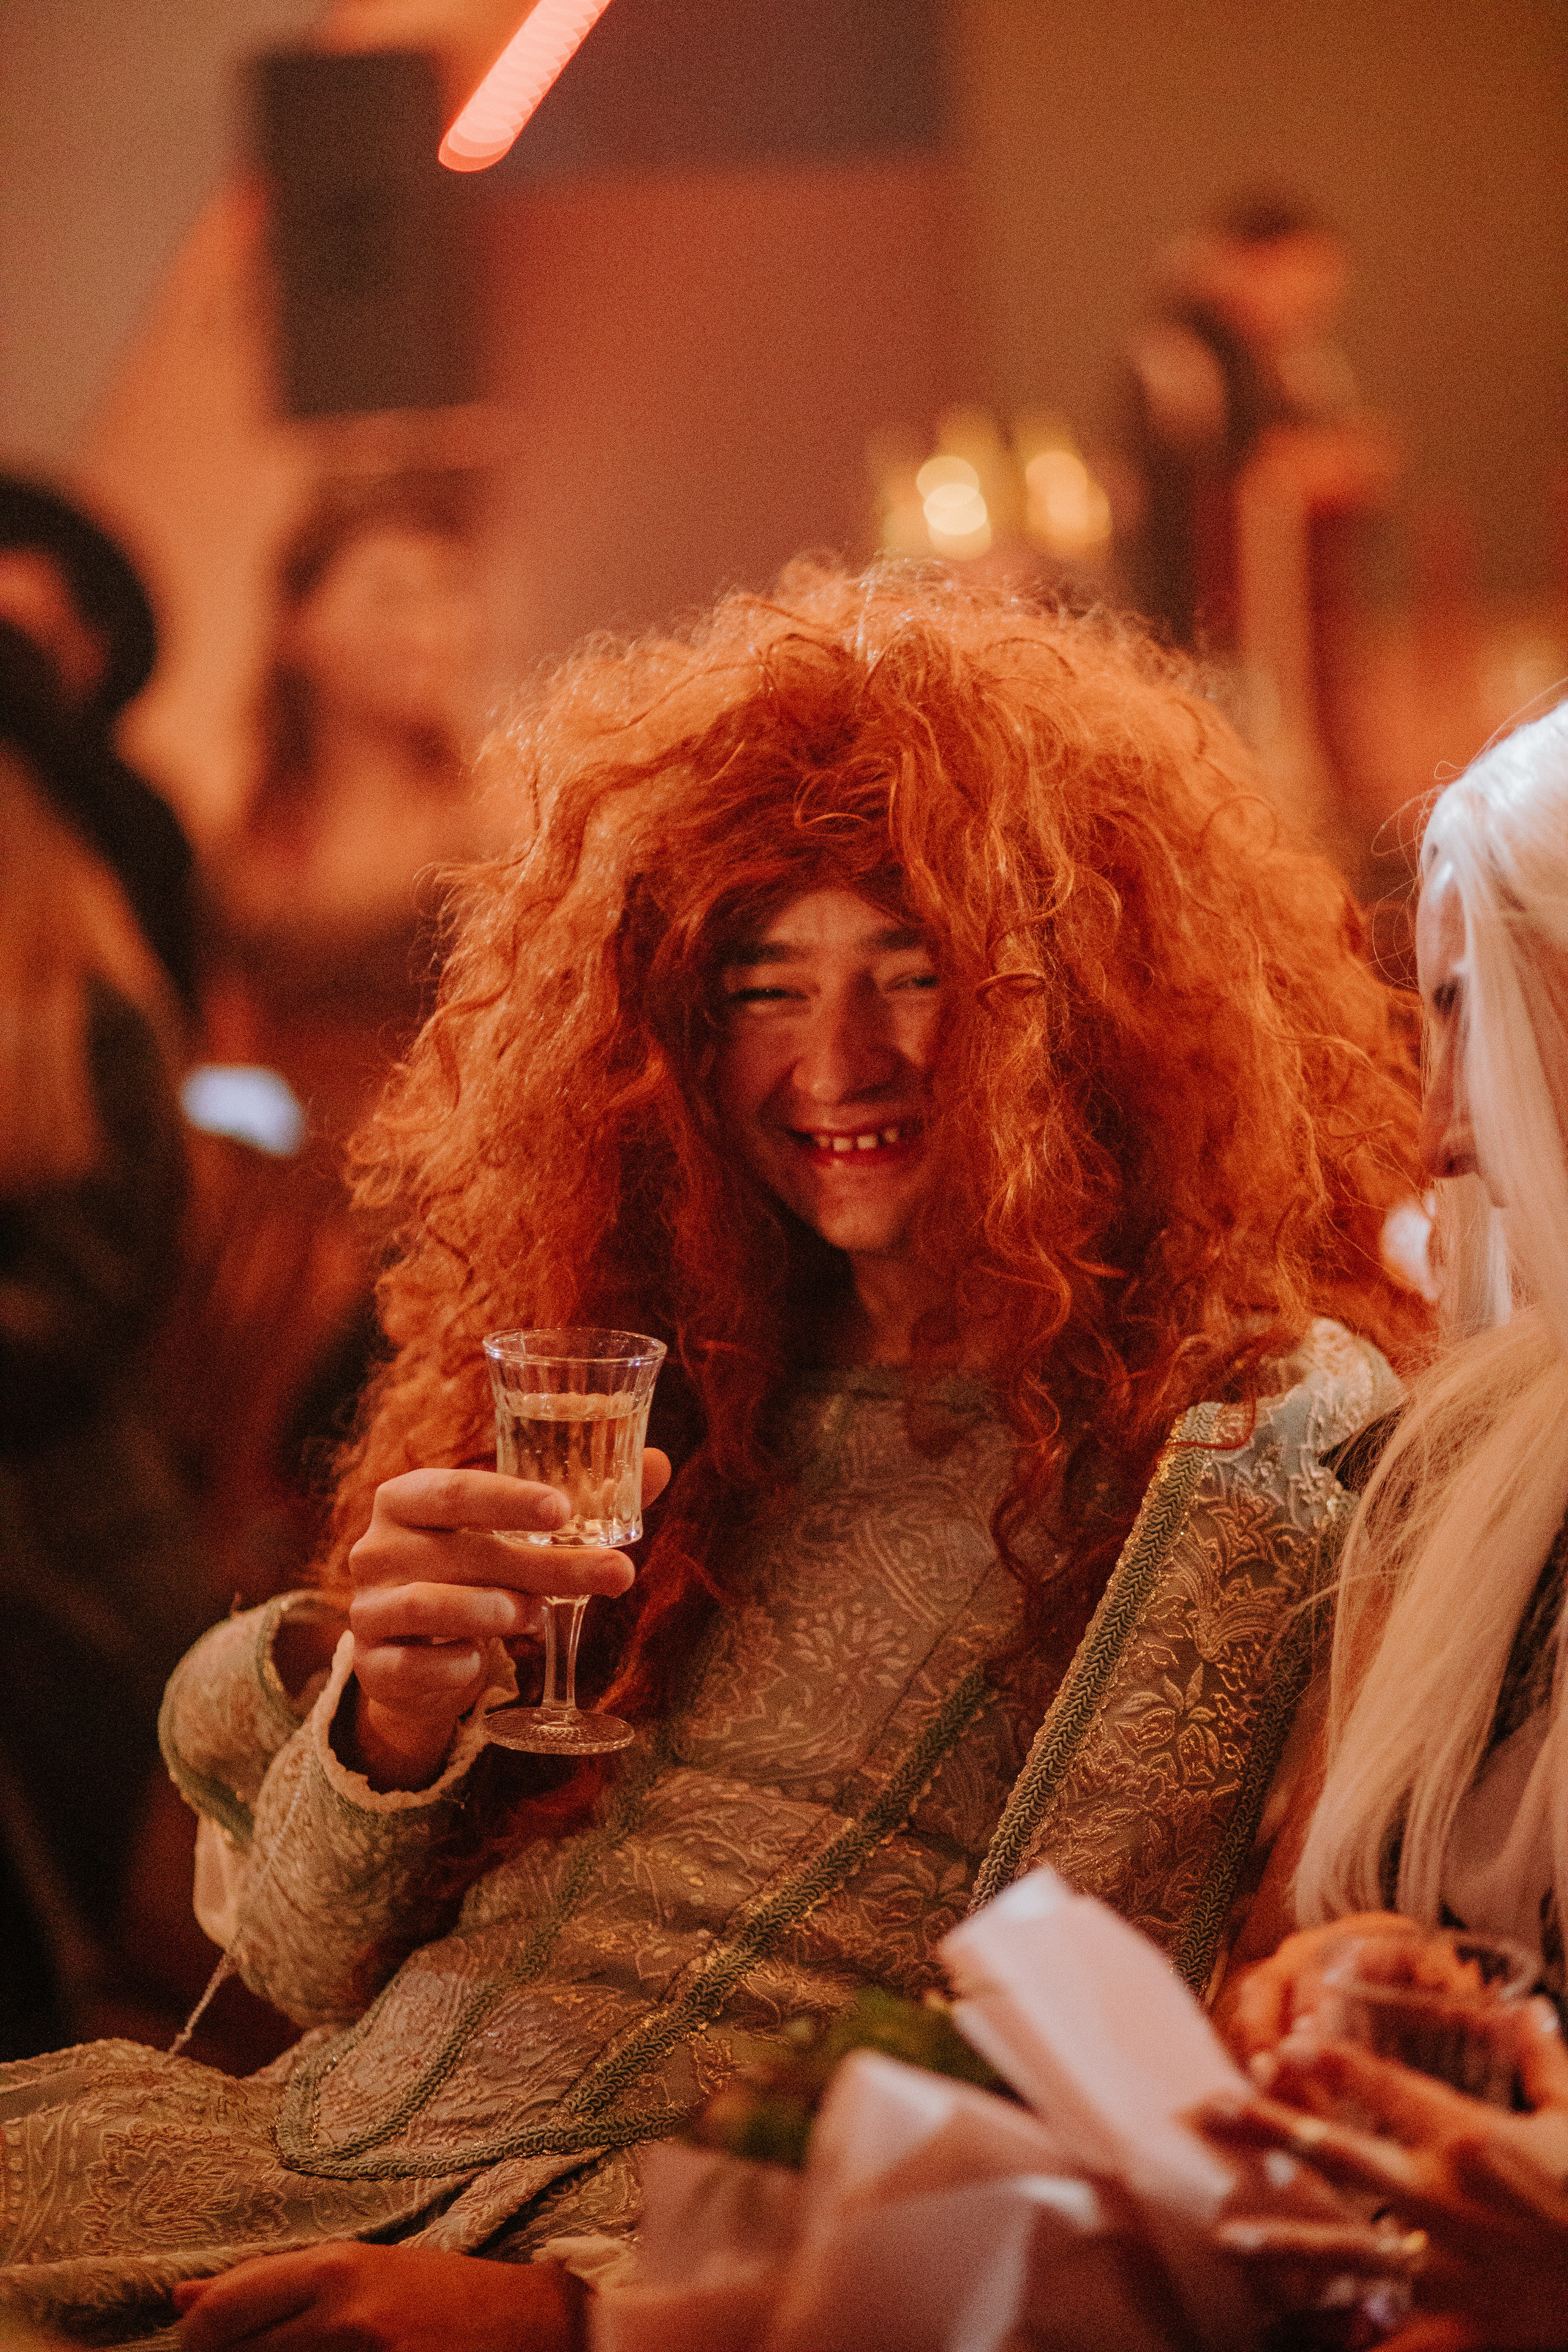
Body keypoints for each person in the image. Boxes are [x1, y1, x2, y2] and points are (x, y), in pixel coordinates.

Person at [0, 564, 1426, 2348]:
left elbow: (1034, 2070)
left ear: (1083, 1004)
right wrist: (390, 1719)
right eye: (762, 985)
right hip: (300, 2150)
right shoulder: (666, 1349)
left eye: (916, 972)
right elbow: (286, 1961)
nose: (839, 1061)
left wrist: (568, 2313)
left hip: (683, 2242)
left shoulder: (1237, 1428)